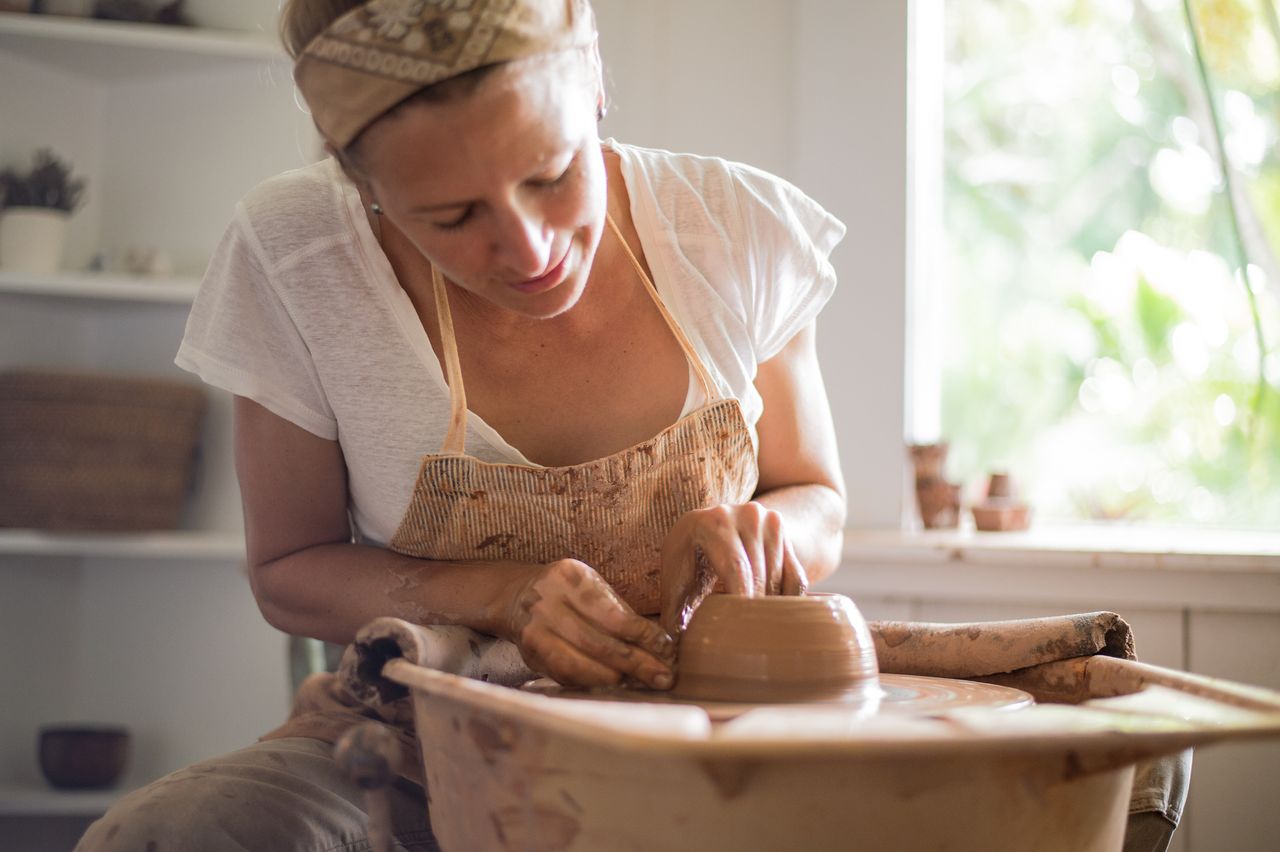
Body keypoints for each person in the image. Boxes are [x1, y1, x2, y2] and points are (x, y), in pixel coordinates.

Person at [77, 1, 847, 848]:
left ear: (591, 81)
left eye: (552, 174)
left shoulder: (735, 228)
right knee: (172, 834)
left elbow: (815, 495)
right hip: (420, 744)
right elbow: (287, 571)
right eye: (453, 217)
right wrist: (499, 595)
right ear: (361, 184)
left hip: (712, 737)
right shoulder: (297, 251)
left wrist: (764, 533)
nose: (530, 249)